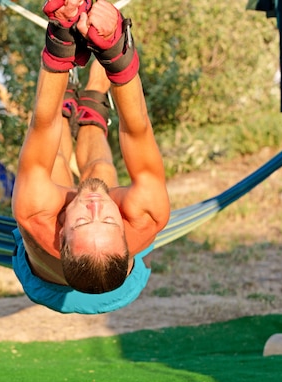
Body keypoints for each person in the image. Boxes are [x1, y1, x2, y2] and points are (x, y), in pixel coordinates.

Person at [11, 0, 170, 314]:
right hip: (120, 287)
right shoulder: (147, 216)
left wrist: (61, 38)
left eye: (82, 220)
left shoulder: (34, 215)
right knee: (99, 170)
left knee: (54, 157)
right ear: (125, 235)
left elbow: (42, 125)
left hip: (47, 286)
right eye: (110, 219)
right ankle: (94, 93)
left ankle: (68, 86)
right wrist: (115, 52)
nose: (96, 208)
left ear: (62, 235)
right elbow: (137, 130)